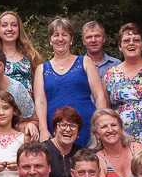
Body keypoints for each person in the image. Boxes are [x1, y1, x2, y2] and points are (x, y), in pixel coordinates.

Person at [33, 18, 108, 147]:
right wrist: (43, 129)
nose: (60, 39)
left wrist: (101, 124)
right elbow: (40, 102)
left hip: (86, 126)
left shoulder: (85, 62)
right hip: (55, 128)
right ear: (50, 40)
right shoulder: (42, 69)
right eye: (56, 35)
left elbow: (99, 96)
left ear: (71, 39)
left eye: (65, 35)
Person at [103, 22, 142, 157]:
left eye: (136, 40)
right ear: (120, 46)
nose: (131, 43)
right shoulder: (110, 75)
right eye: (126, 40)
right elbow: (106, 113)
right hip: (122, 141)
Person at [0, 11, 42, 94]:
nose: (9, 29)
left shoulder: (31, 55)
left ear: (19, 29)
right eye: (4, 25)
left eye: (14, 25)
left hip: (27, 102)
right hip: (0, 101)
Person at [43, 107, 86, 177]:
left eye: (73, 126)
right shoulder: (42, 150)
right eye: (63, 125)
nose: (68, 129)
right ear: (55, 129)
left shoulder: (81, 153)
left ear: (78, 133)